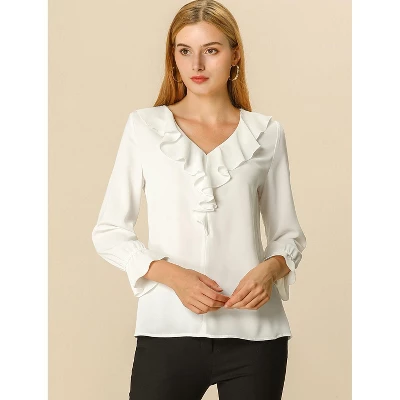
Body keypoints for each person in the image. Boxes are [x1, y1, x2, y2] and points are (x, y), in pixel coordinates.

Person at [91, 1, 307, 399]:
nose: (197, 64)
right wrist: (174, 276)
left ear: (235, 54)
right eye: (184, 50)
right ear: (173, 57)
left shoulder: (266, 133)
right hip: (167, 330)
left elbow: (288, 235)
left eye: (211, 50)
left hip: (256, 336)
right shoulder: (145, 127)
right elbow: (109, 231)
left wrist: (270, 269)